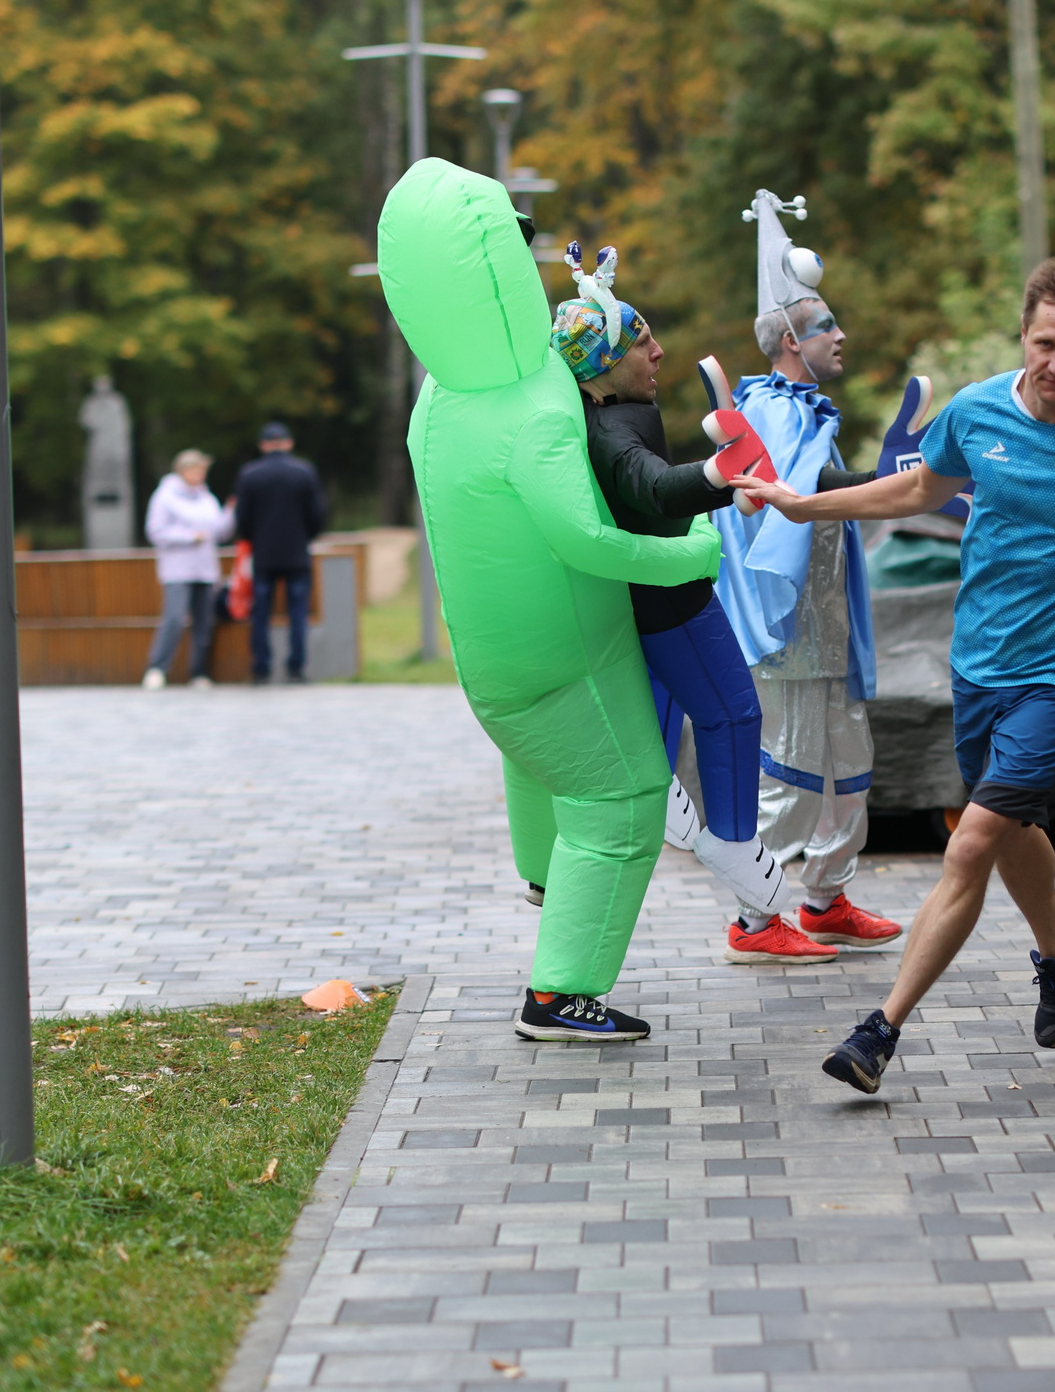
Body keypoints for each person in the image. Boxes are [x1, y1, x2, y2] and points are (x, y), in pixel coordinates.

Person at [735, 256, 1055, 1095]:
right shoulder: (976, 410)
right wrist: (804, 504)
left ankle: (879, 1032)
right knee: (1010, 830)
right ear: (1023, 336)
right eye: (1044, 345)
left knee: (969, 846)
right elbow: (920, 489)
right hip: (980, 662)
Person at [378, 158, 718, 1042]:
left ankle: (542, 873)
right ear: (498, 270)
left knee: (537, 761)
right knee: (625, 802)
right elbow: (584, 542)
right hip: (573, 660)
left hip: (491, 662)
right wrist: (691, 553)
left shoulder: (437, 401)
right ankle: (560, 994)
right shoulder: (534, 410)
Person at [548, 246, 807, 952]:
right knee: (732, 715)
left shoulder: (615, 411)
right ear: (600, 365)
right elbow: (653, 487)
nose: (658, 352)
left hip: (651, 596)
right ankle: (733, 842)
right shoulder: (612, 428)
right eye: (641, 342)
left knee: (665, 704)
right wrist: (725, 470)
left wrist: (718, 480)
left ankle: (664, 791)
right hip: (672, 601)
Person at [710, 188, 903, 958]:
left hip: (831, 626)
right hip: (787, 629)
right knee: (787, 779)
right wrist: (875, 480)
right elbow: (776, 500)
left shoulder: (808, 410)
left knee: (850, 767)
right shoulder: (775, 411)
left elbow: (819, 491)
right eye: (826, 325)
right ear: (791, 337)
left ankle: (824, 899)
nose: (840, 334)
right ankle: (755, 917)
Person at [232, 421, 327, 685]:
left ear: (263, 445)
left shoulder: (250, 474)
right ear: (288, 443)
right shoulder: (304, 472)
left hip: (264, 554)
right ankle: (296, 667)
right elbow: (317, 513)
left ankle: (261, 667)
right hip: (297, 552)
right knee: (298, 612)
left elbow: (242, 518)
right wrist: (307, 537)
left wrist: (253, 538)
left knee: (261, 612)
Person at [140, 448, 239, 690]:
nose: (201, 475)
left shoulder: (206, 497)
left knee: (204, 622)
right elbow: (155, 531)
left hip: (205, 569)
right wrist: (189, 537)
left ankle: (199, 671)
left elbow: (218, 532)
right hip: (177, 569)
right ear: (183, 471)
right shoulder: (165, 496)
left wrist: (231, 513)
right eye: (197, 470)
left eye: (203, 471)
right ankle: (157, 668)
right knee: (174, 618)